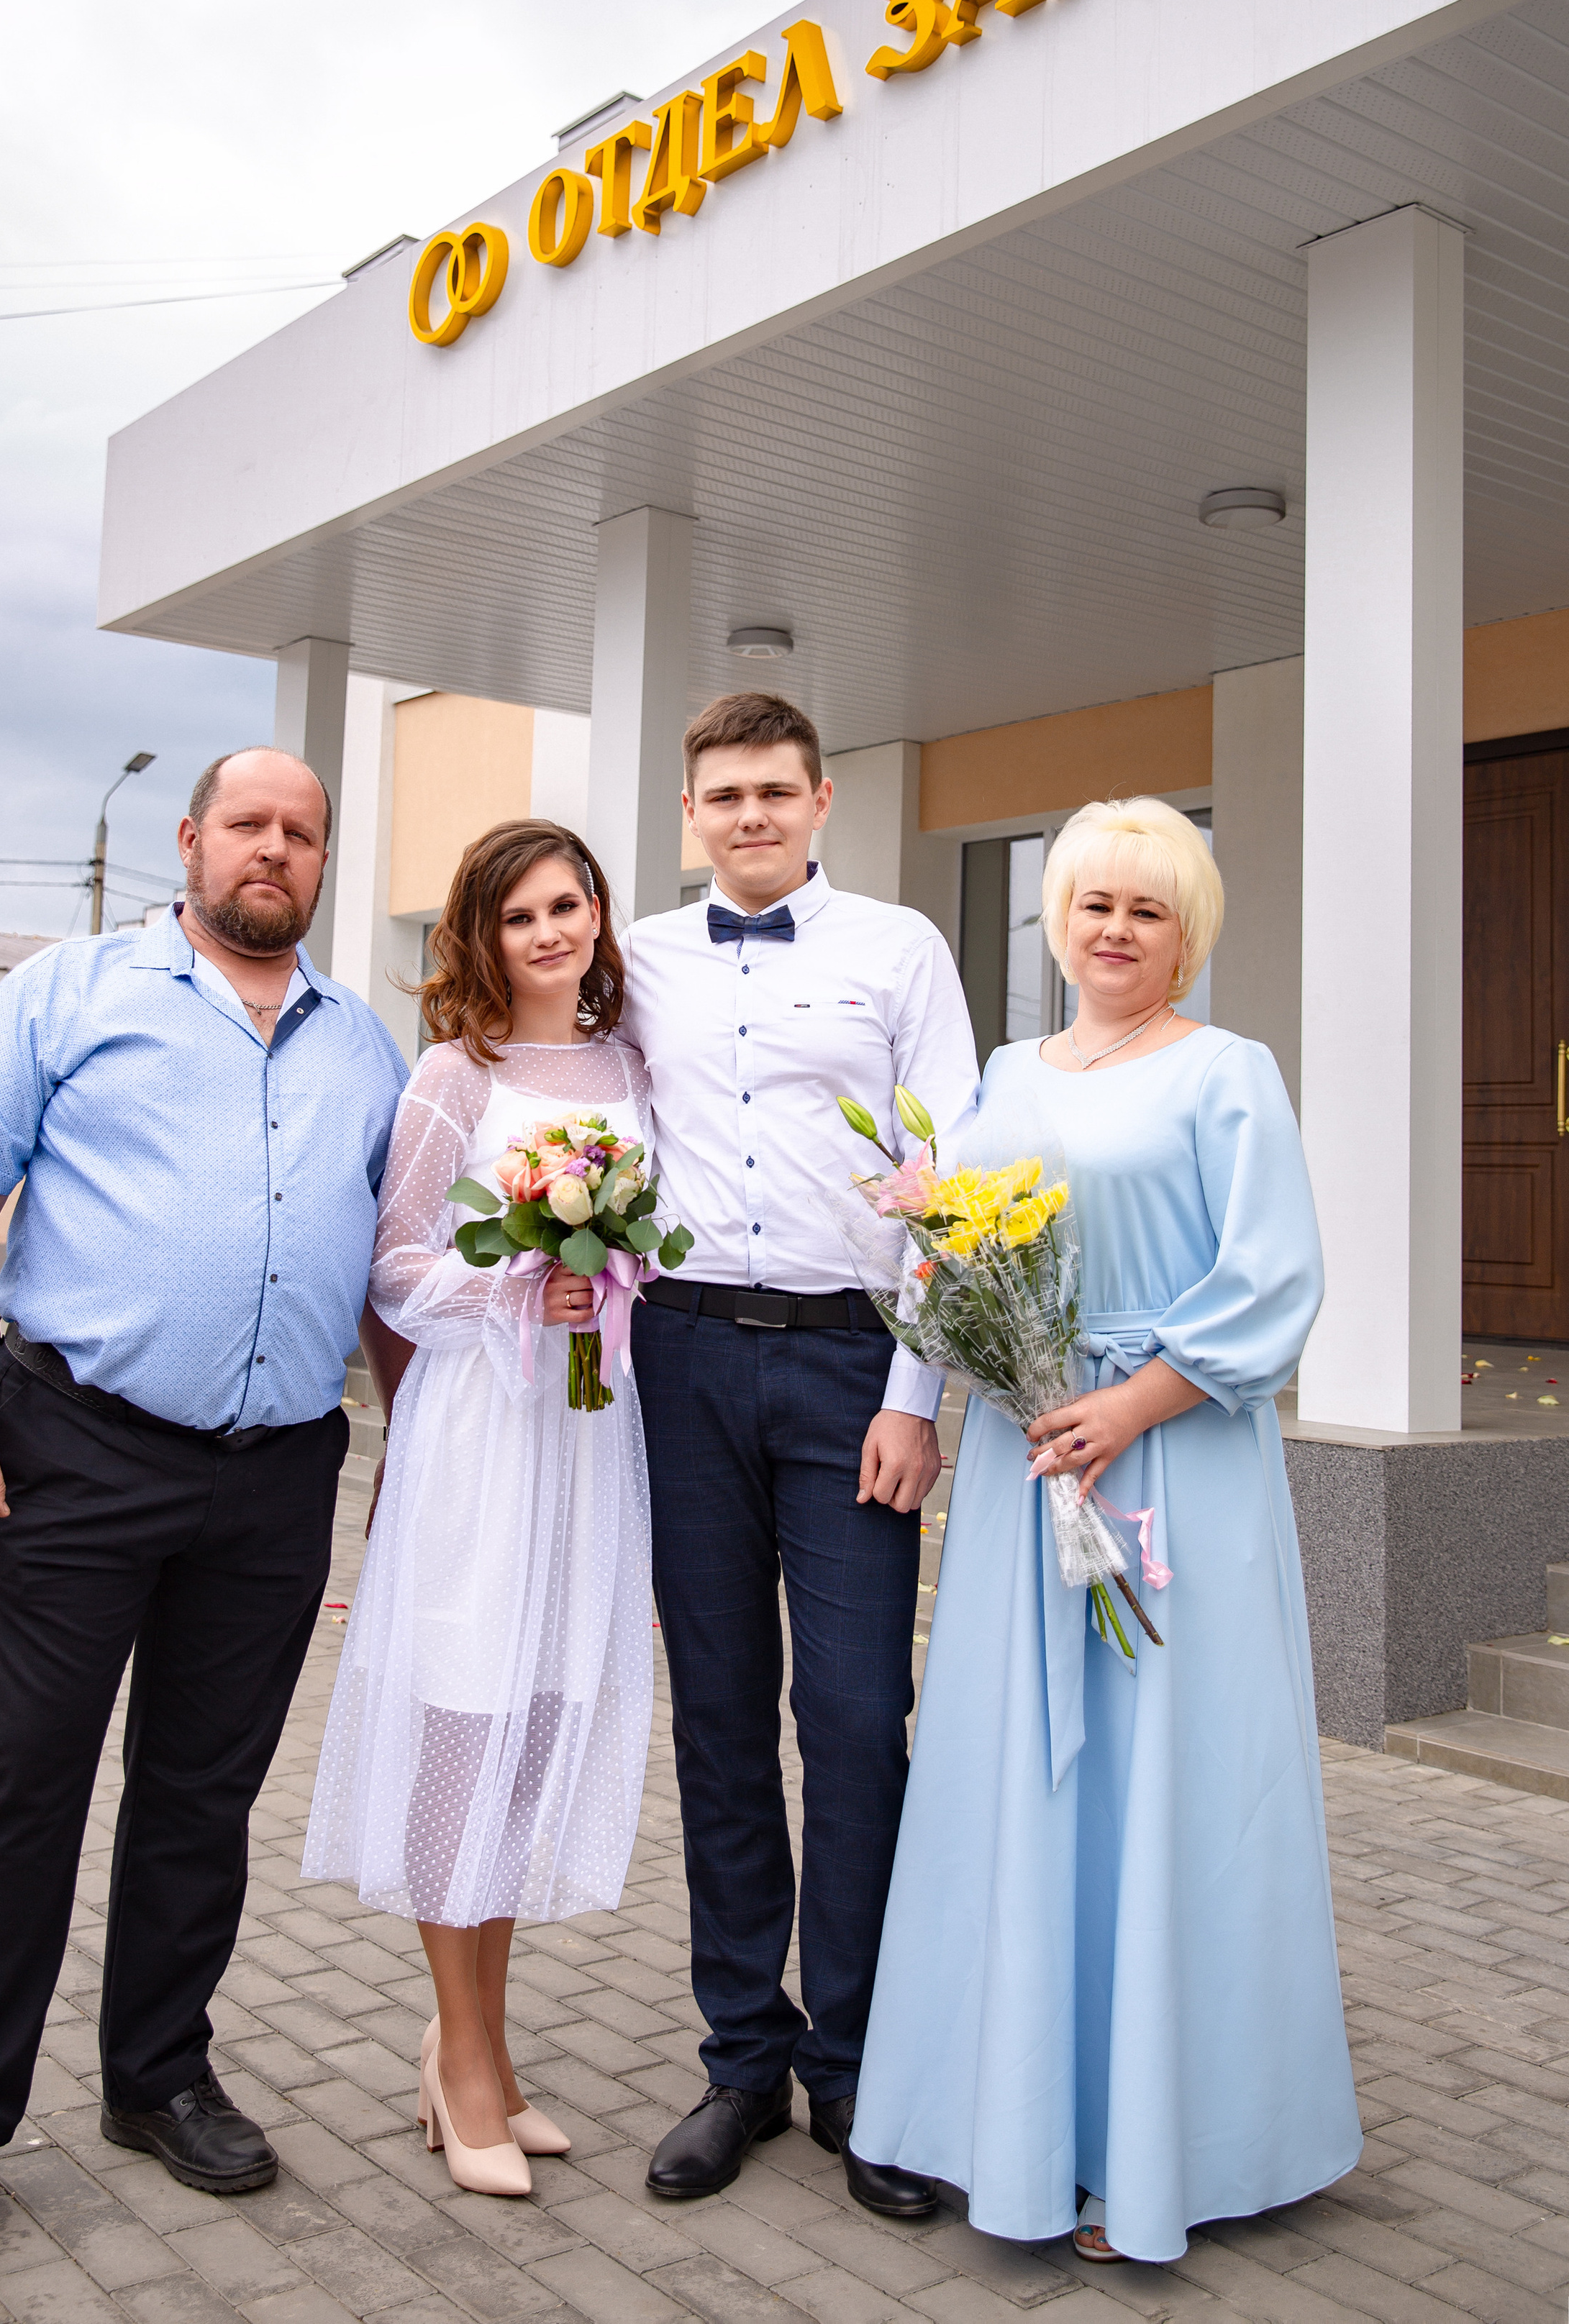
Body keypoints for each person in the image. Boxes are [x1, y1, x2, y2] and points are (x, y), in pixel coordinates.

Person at [0, 747, 411, 2292]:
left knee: (199, 1791)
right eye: (249, 824)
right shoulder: (65, 990)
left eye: (301, 833)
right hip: (74, 1450)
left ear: (320, 862)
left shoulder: (361, 1047)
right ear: (192, 840)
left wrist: (425, 1461)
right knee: (15, 1782)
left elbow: (384, 1274)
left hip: (277, 1471)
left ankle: (158, 2070)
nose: (274, 851)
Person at [852, 798, 1362, 2264]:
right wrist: (936, 1403)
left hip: (1174, 1468)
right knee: (1026, 1781)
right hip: (1028, 1468)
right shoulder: (1005, 1074)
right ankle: (1010, 2123)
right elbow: (942, 1249)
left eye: (1146, 908)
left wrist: (1131, 1402)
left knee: (1167, 1783)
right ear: (1056, 917)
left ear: (1183, 930)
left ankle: (1158, 2148)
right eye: (1092, 903)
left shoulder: (1226, 1071)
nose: (1116, 929)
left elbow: (1271, 1274)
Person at [620, 691, 979, 2215]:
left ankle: (856, 2066)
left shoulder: (899, 948)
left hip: (849, 1365)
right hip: (682, 1353)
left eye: (774, 789)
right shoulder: (629, 957)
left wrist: (917, 1389)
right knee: (714, 1717)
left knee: (848, 1717)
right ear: (688, 811)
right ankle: (738, 2058)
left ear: (821, 798)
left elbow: (953, 1165)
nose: (749, 814)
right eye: (722, 794)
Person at [303, 821, 656, 2200]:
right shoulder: (457, 1074)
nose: (550, 933)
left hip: (587, 1430)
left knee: (533, 1731)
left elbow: (643, 1250)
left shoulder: (628, 1068)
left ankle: (492, 2055)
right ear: (481, 937)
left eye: (568, 906)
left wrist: (601, 1283)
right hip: (481, 1435)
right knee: (465, 1719)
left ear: (597, 918)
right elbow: (395, 1269)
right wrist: (522, 1285)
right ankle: (458, 2066)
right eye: (520, 918)